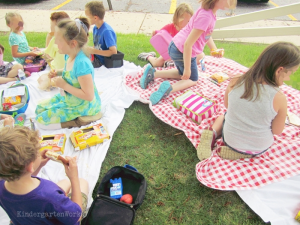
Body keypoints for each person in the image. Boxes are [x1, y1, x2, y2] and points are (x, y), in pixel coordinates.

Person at [197, 42, 300, 161]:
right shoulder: (280, 98)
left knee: (222, 116)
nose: (289, 78)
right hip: (257, 147)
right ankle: (244, 154)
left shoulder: (236, 80)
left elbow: (227, 106)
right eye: (291, 73)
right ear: (279, 70)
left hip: (230, 138)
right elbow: (277, 131)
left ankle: (211, 133)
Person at [140, 0, 236, 105]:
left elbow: (207, 34)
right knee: (193, 79)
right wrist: (187, 69)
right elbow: (188, 44)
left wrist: (213, 49)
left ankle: (153, 73)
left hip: (177, 46)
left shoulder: (210, 12)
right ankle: (168, 89)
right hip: (182, 49)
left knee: (183, 75)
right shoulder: (206, 17)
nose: (231, 3)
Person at [0, 126, 89, 225]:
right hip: (65, 217)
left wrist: (38, 166)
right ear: (30, 166)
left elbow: (22, 179)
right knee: (82, 183)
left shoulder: (2, 185)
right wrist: (74, 178)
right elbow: (76, 216)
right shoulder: (49, 195)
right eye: (37, 152)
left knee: (64, 182)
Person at [35, 18, 101, 130]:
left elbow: (89, 96)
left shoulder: (82, 64)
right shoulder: (69, 55)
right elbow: (71, 72)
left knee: (41, 122)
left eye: (58, 40)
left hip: (82, 105)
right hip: (69, 98)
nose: (55, 43)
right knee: (39, 108)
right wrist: (58, 72)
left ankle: (75, 122)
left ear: (73, 43)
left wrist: (64, 85)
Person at [138, 3, 195, 68]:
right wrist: (155, 32)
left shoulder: (190, 31)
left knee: (198, 57)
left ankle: (169, 64)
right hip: (169, 54)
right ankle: (149, 56)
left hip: (183, 54)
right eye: (183, 20)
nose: (186, 23)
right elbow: (161, 34)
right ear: (177, 18)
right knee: (157, 63)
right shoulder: (170, 27)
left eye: (189, 21)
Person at [85, 1, 117, 68]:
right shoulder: (95, 28)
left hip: (102, 62)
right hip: (95, 57)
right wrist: (90, 50)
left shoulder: (106, 31)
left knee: (80, 65)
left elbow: (113, 52)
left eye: (87, 17)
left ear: (95, 18)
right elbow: (96, 45)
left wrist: (94, 51)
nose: (85, 19)